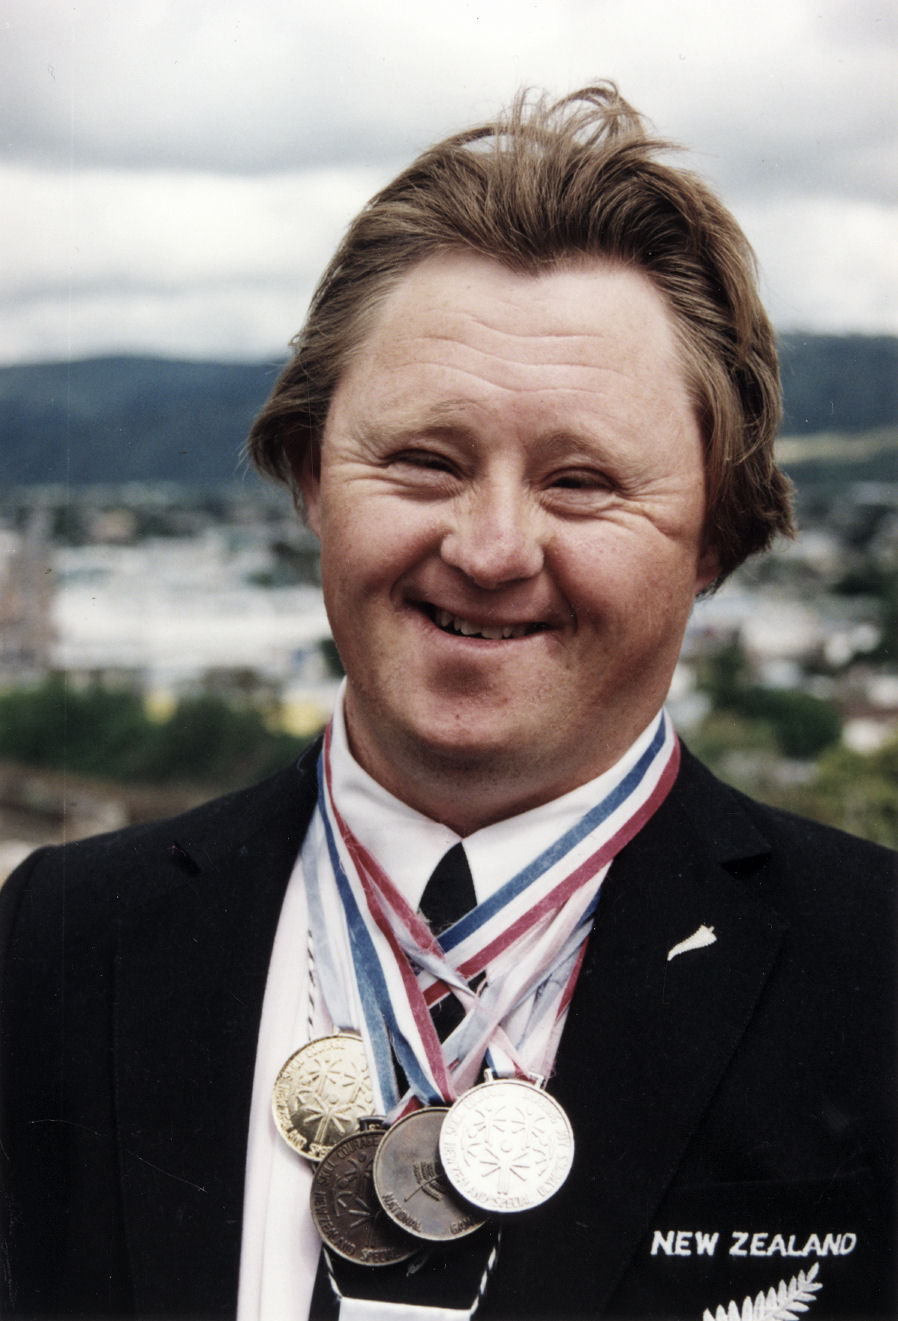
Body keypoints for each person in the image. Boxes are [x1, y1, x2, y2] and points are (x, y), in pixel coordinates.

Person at [1, 84, 894, 1321]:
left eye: (583, 482)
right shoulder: (55, 945)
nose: (489, 547)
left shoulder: (878, 968)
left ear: (715, 539)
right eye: (423, 460)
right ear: (313, 476)